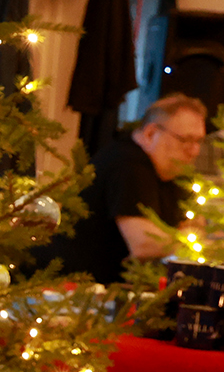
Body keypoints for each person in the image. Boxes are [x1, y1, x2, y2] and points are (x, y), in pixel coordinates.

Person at [40, 94, 207, 284]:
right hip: (69, 287)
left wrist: (183, 237)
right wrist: (187, 239)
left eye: (199, 141)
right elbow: (144, 243)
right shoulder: (126, 164)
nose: (194, 151)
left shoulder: (176, 174)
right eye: (185, 140)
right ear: (151, 133)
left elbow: (195, 226)